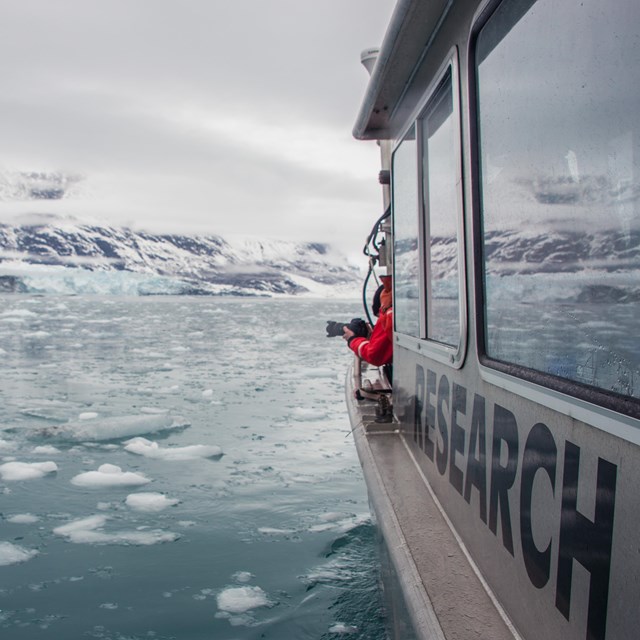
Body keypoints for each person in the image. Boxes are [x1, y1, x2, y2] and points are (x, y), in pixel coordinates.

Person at [343, 275, 393, 371]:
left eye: (379, 318)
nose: (380, 323)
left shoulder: (389, 314)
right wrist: (373, 339)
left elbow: (374, 355)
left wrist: (352, 340)